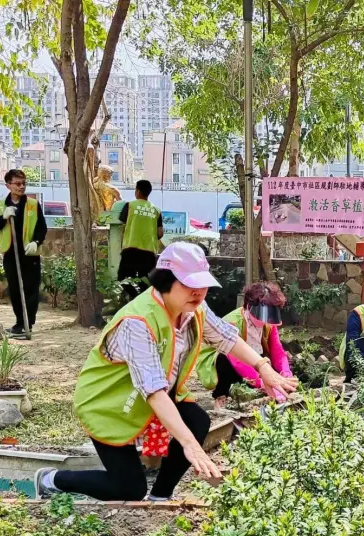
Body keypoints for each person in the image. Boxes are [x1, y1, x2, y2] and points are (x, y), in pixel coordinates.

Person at [33, 242, 298, 501]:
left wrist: (264, 368)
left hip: (157, 392)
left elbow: (225, 337)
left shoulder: (195, 309)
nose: (198, 292)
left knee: (198, 421)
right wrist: (190, 445)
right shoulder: (138, 321)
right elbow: (154, 392)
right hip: (110, 405)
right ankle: (51, 479)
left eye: (202, 285)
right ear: (165, 281)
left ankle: (160, 495)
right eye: (189, 285)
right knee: (129, 488)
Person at [197, 281, 293, 404]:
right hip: (222, 361)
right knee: (223, 357)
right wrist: (262, 381)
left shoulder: (269, 324)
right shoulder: (232, 322)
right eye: (262, 315)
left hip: (253, 362)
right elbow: (236, 359)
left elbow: (277, 352)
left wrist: (285, 374)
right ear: (248, 307)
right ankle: (221, 395)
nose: (264, 321)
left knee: (276, 362)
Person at [0, 169, 47, 337]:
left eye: (24, 183)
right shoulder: (0, 205)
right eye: (18, 184)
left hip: (30, 253)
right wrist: (3, 217)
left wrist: (36, 242)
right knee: (14, 289)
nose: (22, 187)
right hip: (10, 253)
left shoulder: (33, 205)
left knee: (31, 288)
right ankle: (20, 322)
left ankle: (28, 324)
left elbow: (42, 228)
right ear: (8, 185)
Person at [117, 180, 163, 299]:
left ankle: (134, 297)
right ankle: (142, 299)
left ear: (137, 191)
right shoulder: (156, 210)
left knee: (123, 278)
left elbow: (121, 223)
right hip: (149, 251)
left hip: (131, 248)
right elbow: (160, 233)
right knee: (146, 280)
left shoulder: (130, 205)